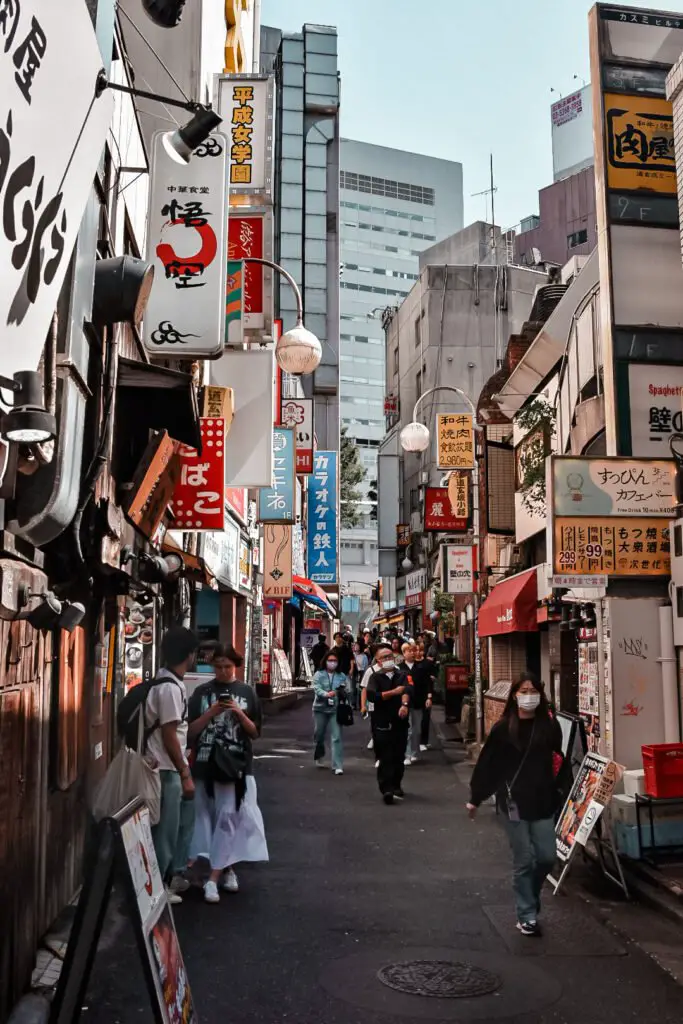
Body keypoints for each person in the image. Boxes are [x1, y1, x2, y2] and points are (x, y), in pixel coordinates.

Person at [467, 672, 563, 936]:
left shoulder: (548, 727)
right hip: (513, 803)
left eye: (533, 691)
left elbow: (558, 760)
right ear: (514, 696)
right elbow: (488, 764)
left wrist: (562, 791)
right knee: (524, 859)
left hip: (543, 800)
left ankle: (530, 898)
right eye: (523, 691)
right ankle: (526, 914)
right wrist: (476, 797)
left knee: (546, 858)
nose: (528, 696)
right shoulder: (503, 728)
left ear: (541, 696)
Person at [187, 644, 268, 904]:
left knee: (228, 819)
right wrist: (211, 713)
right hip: (204, 764)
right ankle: (220, 869)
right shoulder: (201, 693)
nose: (222, 671)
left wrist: (237, 713)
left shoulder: (247, 693)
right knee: (204, 819)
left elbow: (255, 732)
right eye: (218, 667)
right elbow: (189, 732)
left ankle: (216, 876)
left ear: (236, 666)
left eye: (228, 667)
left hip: (235, 767)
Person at [146, 626, 200, 905]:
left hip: (167, 767)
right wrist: (184, 772)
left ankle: (167, 880)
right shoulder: (168, 688)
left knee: (173, 828)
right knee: (165, 832)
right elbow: (169, 735)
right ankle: (158, 888)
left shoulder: (167, 682)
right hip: (166, 769)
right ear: (190, 655)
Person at [367, 646, 413, 804]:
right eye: (384, 657)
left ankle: (396, 784)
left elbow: (408, 689)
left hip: (399, 722)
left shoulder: (403, 675)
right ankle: (386, 788)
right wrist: (393, 693)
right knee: (385, 756)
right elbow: (373, 696)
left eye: (389, 656)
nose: (388, 659)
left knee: (398, 756)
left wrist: (404, 704)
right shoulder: (375, 678)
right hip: (381, 722)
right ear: (378, 662)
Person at [311, 650, 349, 774]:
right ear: (325, 661)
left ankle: (337, 765)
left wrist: (341, 692)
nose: (332, 663)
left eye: (335, 661)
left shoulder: (342, 675)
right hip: (320, 708)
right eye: (330, 660)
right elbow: (316, 688)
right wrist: (326, 694)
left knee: (337, 736)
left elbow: (347, 689)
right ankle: (319, 755)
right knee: (319, 734)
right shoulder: (319, 674)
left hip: (335, 708)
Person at [402, 642, 434, 764]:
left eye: (413, 651)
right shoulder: (400, 668)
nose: (412, 653)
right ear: (404, 653)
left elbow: (427, 683)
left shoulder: (420, 667)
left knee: (417, 729)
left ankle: (415, 752)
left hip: (418, 700)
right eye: (409, 651)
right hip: (404, 702)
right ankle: (407, 754)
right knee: (408, 729)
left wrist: (429, 697)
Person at [417, 641, 438, 751]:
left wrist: (429, 696)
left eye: (421, 650)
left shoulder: (428, 664)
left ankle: (423, 741)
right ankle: (415, 742)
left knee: (425, 719)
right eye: (416, 650)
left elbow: (434, 676)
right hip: (413, 695)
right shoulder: (412, 665)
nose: (419, 652)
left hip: (425, 693)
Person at [351, 641, 369, 709]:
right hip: (355, 673)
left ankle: (361, 704)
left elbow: (366, 667)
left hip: (361, 674)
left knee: (360, 690)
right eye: (355, 645)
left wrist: (365, 675)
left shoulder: (364, 656)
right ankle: (353, 704)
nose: (355, 646)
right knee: (354, 689)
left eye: (357, 645)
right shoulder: (352, 655)